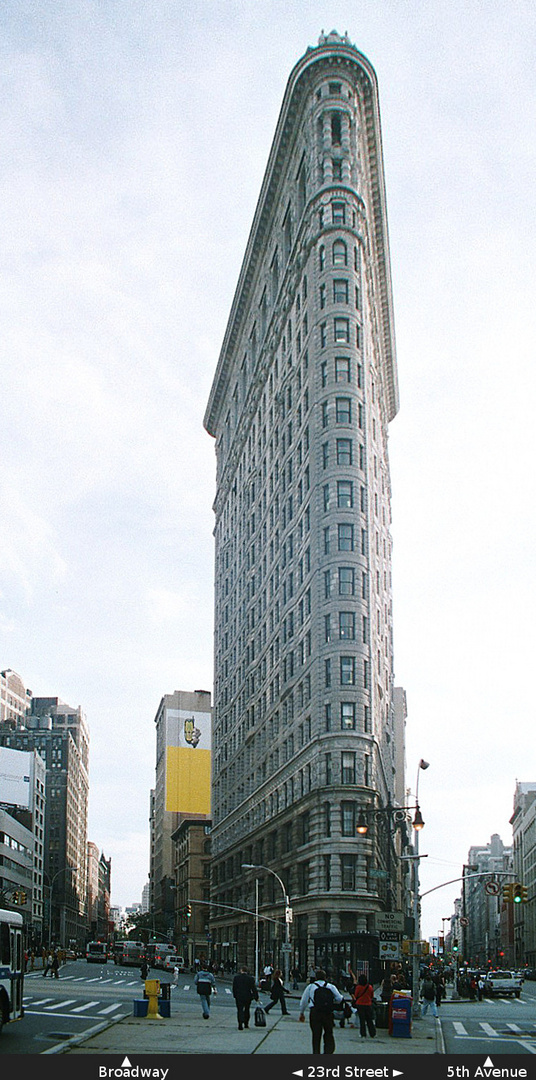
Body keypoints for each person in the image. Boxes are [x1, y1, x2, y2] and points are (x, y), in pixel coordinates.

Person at [298, 968, 344, 1055]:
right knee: (328, 1032)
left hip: (315, 1012)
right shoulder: (331, 986)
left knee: (316, 1034)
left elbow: (304, 1001)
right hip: (327, 1012)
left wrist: (302, 1013)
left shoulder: (311, 987)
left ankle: (316, 1052)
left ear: (315, 978)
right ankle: (328, 1051)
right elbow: (339, 998)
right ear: (325, 977)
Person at [232, 965, 259, 1030]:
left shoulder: (236, 978)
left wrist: (235, 995)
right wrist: (256, 997)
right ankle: (246, 1023)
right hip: (247, 996)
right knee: (247, 1009)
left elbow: (234, 988)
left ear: (241, 970)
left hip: (239, 996)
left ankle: (240, 1023)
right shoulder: (250, 978)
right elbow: (253, 988)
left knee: (240, 1010)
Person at [353, 973, 376, 1038]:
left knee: (362, 1020)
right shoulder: (369, 987)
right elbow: (372, 995)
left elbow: (356, 995)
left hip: (360, 1004)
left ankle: (363, 1033)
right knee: (369, 1019)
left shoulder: (358, 987)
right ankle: (372, 1033)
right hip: (368, 1004)